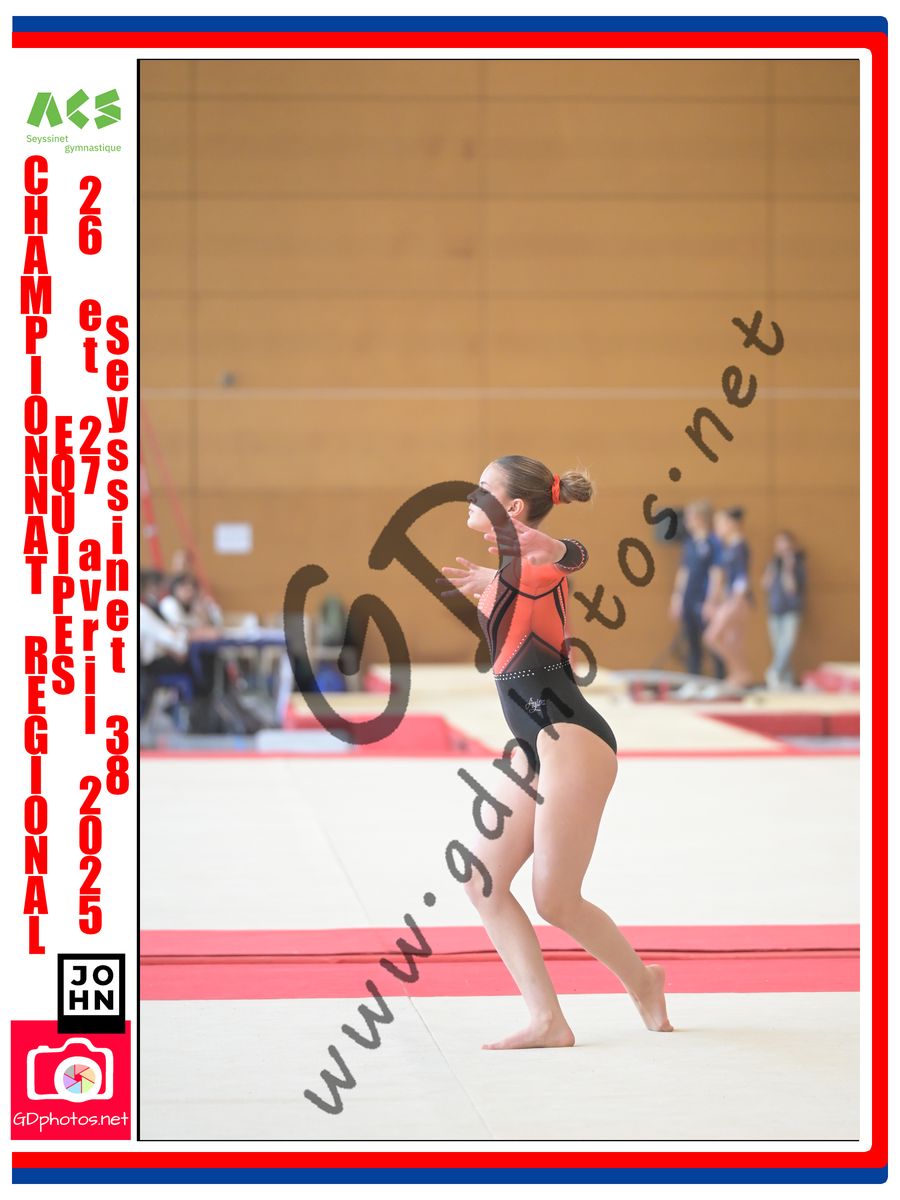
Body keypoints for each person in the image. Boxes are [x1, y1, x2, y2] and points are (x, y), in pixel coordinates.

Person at [439, 454, 673, 1050]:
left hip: (571, 738)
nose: (471, 494)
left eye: (483, 487)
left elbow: (569, 560)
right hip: (534, 745)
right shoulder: (512, 569)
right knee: (484, 881)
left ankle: (643, 980)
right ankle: (547, 1020)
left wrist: (557, 549)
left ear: (513, 507)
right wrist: (491, 585)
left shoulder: (535, 562)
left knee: (556, 898)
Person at [668, 500, 726, 685]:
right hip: (688, 597)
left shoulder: (714, 542)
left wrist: (712, 600)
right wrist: (677, 597)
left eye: (690, 517)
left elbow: (717, 572)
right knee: (692, 642)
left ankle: (720, 681)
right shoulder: (690, 543)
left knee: (712, 642)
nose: (687, 521)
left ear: (701, 518)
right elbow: (684, 571)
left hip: (704, 598)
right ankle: (694, 681)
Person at [702, 506, 754, 690]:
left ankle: (741, 673)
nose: (717, 528)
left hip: (738, 599)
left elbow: (742, 576)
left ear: (732, 524)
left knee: (713, 636)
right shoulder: (730, 546)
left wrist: (736, 600)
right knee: (733, 641)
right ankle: (738, 675)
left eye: (720, 524)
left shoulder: (739, 545)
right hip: (732, 598)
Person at [761, 531, 806, 689]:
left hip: (791, 611)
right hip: (775, 610)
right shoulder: (773, 564)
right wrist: (772, 569)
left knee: (787, 644)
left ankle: (774, 672)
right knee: (779, 648)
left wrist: (788, 568)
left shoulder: (798, 564)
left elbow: (791, 589)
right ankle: (786, 679)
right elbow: (765, 585)